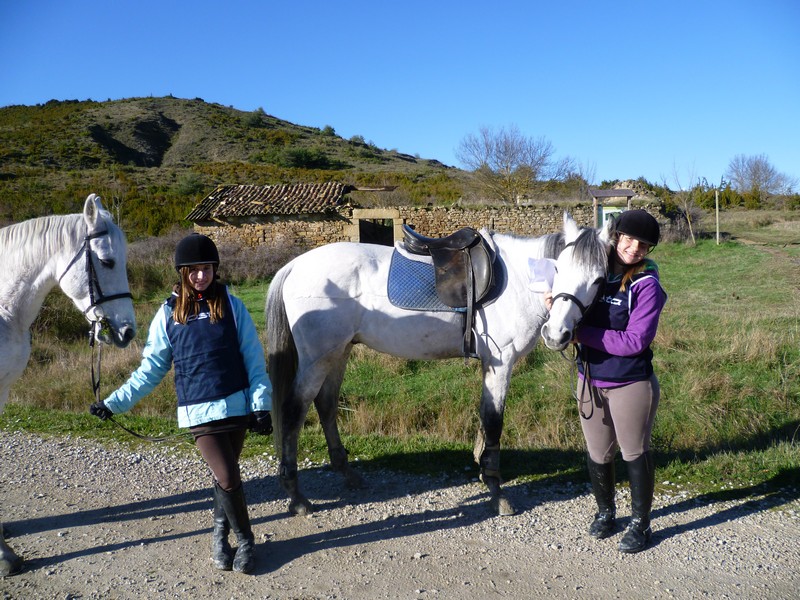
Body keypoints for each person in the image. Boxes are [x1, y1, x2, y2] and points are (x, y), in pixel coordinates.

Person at [90, 233, 273, 574]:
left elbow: (253, 358)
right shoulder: (167, 314)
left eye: (206, 269)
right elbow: (150, 369)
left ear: (214, 269)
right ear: (182, 273)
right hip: (199, 412)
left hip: (236, 407)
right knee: (229, 476)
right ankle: (247, 542)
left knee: (224, 479)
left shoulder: (232, 306)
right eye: (193, 270)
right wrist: (113, 403)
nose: (200, 276)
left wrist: (261, 405)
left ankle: (220, 536)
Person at [546, 209, 667, 553]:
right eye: (629, 239)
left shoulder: (646, 285)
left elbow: (634, 341)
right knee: (598, 452)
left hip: (630, 383)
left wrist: (582, 335)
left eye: (643, 245)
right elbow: (571, 295)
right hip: (589, 380)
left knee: (634, 452)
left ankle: (641, 524)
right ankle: (606, 512)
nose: (634, 248)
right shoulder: (594, 271)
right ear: (616, 237)